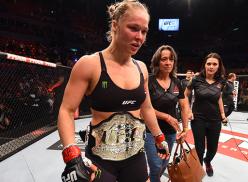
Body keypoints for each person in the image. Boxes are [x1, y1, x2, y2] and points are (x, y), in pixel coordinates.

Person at [57, 1, 170, 182]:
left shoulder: (141, 68)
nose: (139, 37)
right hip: (101, 158)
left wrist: (159, 137)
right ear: (115, 25)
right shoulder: (89, 64)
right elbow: (66, 110)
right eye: (133, 28)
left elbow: (146, 107)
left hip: (135, 156)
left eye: (144, 31)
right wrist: (71, 155)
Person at [145, 45, 190, 182]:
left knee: (163, 164)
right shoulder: (149, 81)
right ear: (157, 61)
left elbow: (184, 106)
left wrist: (185, 129)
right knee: (156, 165)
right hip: (151, 131)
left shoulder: (177, 82)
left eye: (171, 59)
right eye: (164, 59)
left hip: (170, 133)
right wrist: (166, 116)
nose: (168, 62)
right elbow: (144, 108)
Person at [184, 52, 226, 177]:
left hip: (215, 120)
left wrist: (223, 114)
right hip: (198, 119)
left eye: (214, 64)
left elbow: (219, 97)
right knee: (199, 149)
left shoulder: (221, 81)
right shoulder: (196, 79)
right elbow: (185, 95)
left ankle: (208, 161)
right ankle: (199, 170)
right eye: (209, 64)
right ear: (204, 65)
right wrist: (188, 110)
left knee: (213, 149)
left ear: (219, 66)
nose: (211, 66)